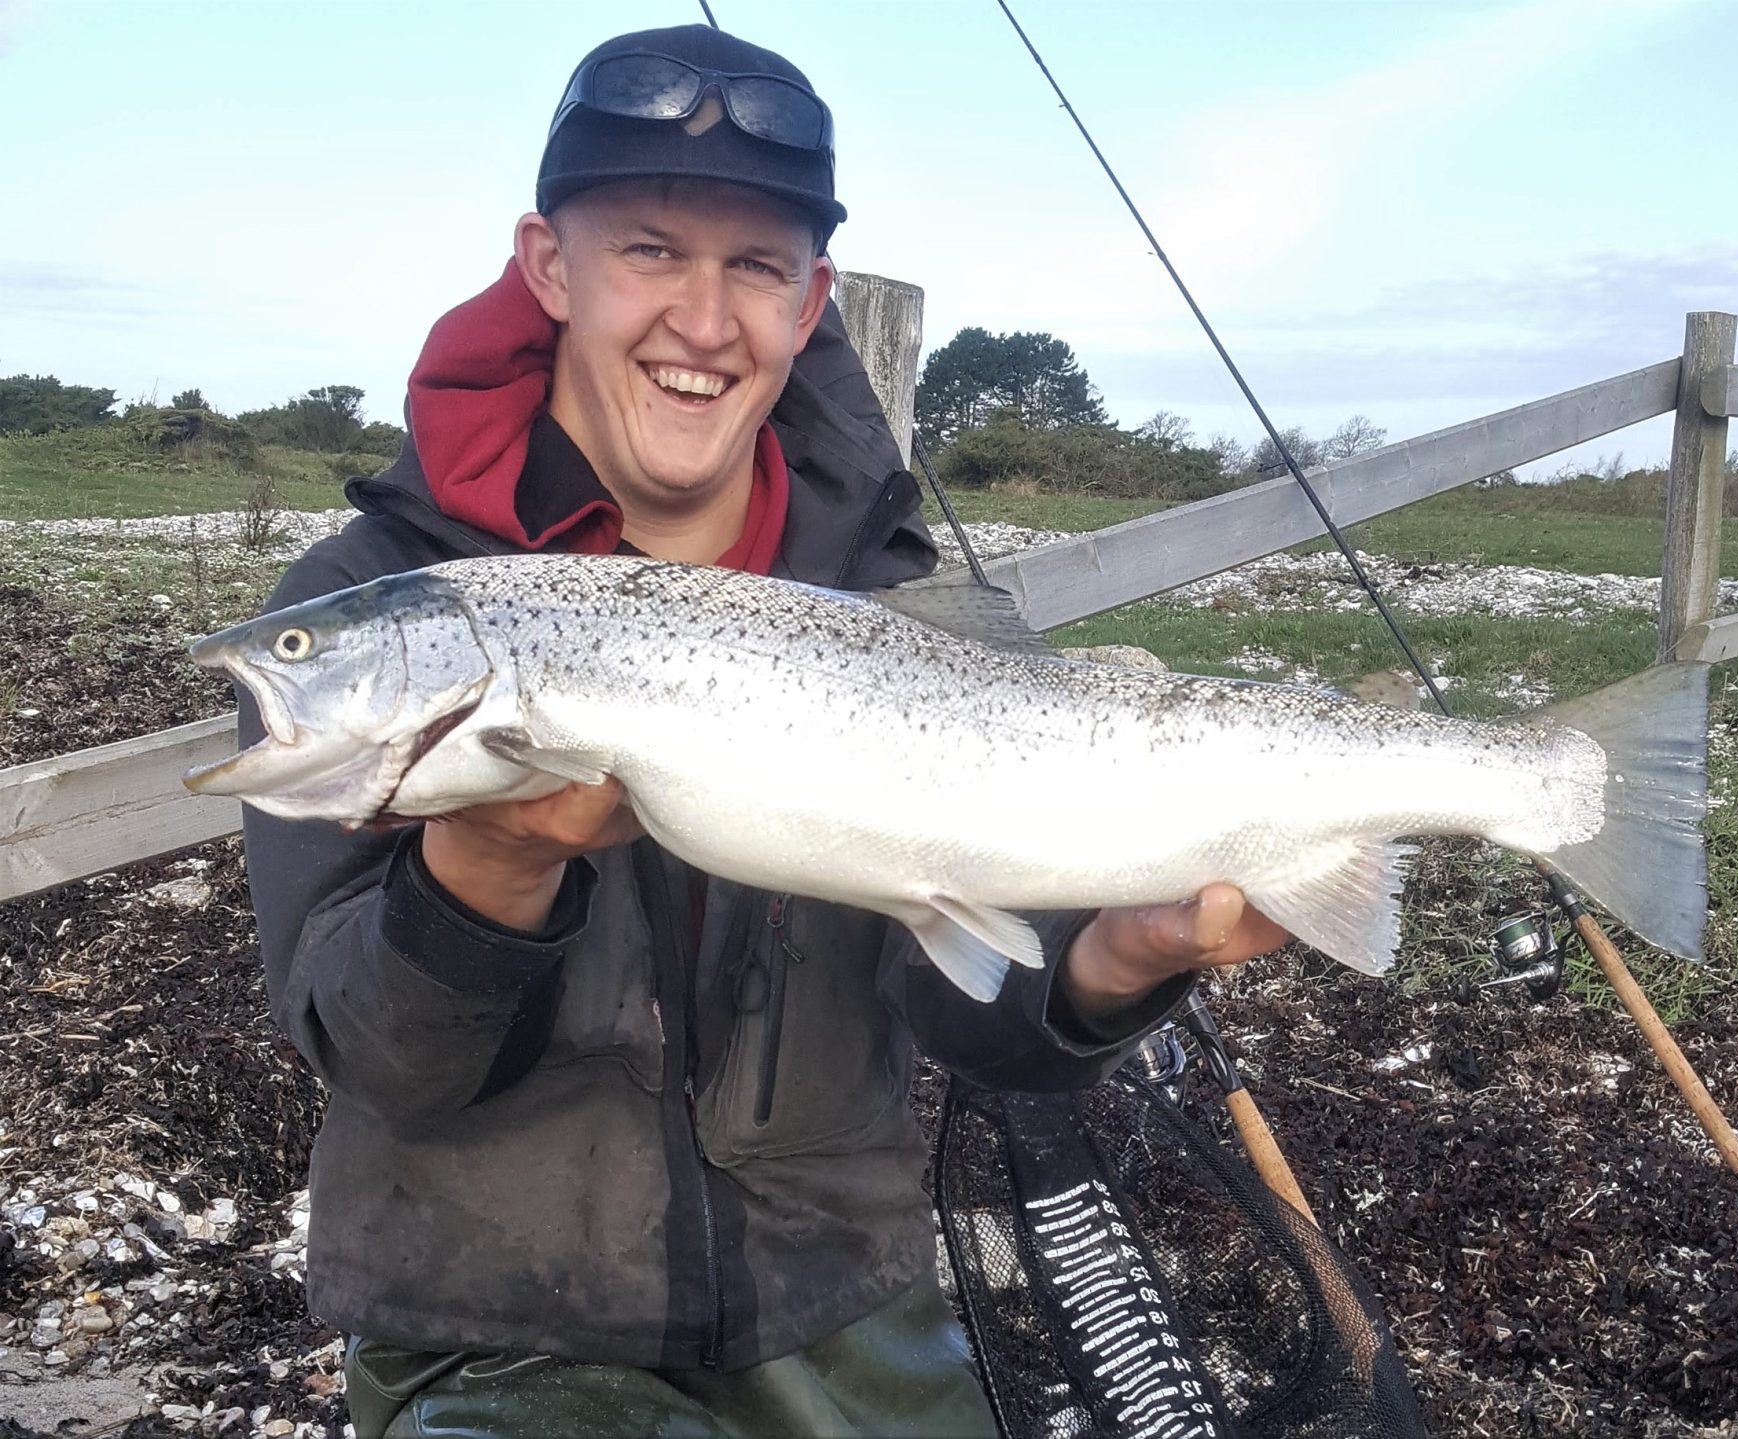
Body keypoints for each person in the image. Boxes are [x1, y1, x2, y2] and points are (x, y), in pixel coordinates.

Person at [240, 25, 1288, 1438]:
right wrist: (482, 873)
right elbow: (375, 1064)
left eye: (757, 267)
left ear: (814, 304)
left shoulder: (897, 601)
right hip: (494, 1340)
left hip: (846, 1321)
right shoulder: (377, 594)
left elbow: (959, 1001)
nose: (704, 319)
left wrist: (1112, 961)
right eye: (652, 251)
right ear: (551, 266)